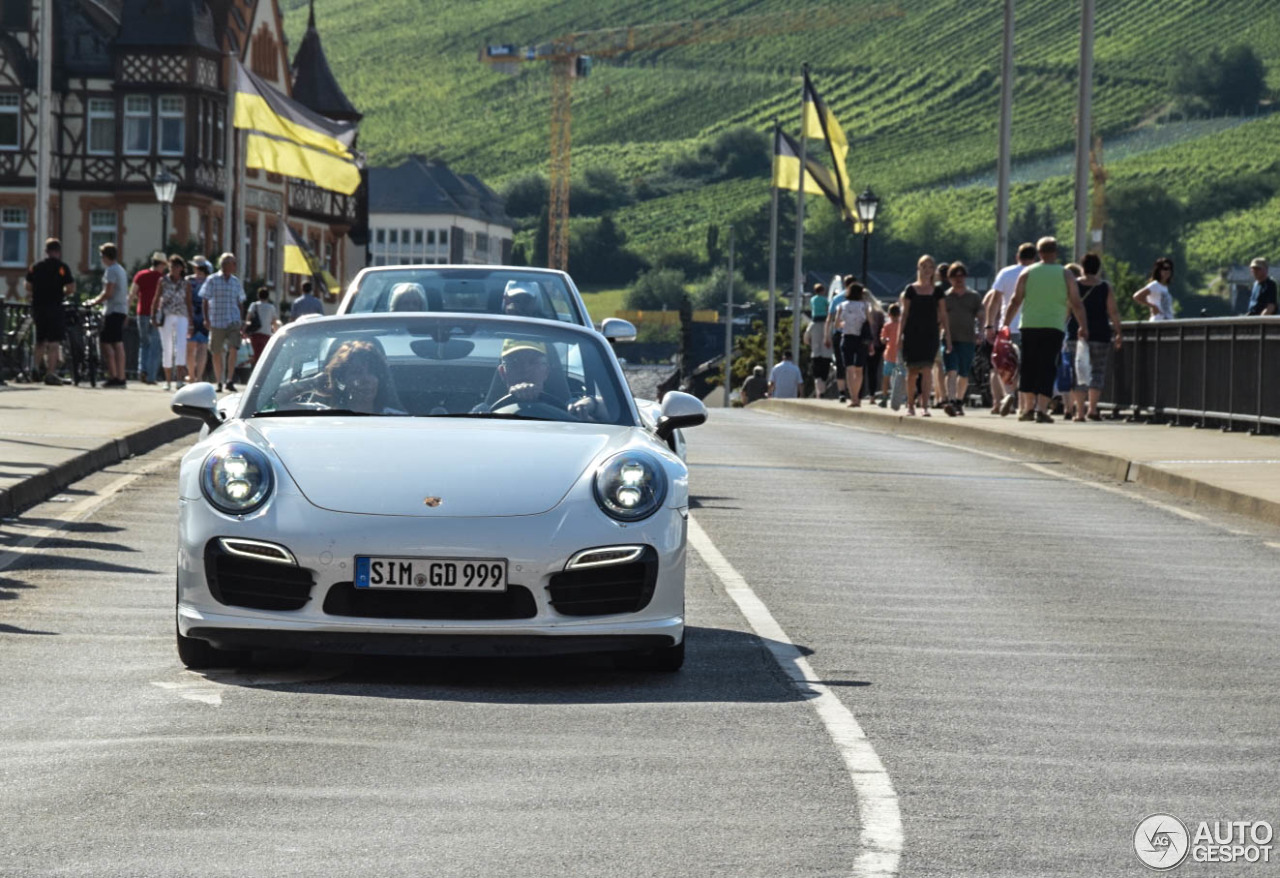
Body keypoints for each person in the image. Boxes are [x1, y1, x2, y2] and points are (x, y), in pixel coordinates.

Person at [1002, 237, 1089, 423]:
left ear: (1039, 253)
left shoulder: (1027, 272)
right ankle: (1041, 409)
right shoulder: (1065, 274)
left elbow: (1015, 300)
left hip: (1029, 325)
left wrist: (1005, 323)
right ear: (1056, 252)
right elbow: (1076, 303)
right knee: (1047, 367)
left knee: (1028, 366)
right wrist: (1083, 325)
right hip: (1054, 326)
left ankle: (1026, 409)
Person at [1068, 251, 1123, 422]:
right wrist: (1119, 332)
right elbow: (1113, 311)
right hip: (1100, 333)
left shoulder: (1074, 285)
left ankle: (1079, 412)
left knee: (1078, 372)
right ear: (1098, 269)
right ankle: (1092, 408)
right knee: (1097, 371)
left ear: (1082, 268)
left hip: (1076, 334)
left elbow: (1067, 309)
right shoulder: (1104, 287)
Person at [278, 339, 402, 415]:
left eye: (372, 372)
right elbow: (277, 403)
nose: (366, 379)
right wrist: (313, 383)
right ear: (342, 379)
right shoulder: (320, 414)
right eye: (357, 373)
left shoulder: (397, 419)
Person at [490, 339, 601, 420]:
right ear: (503, 373)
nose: (525, 369)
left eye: (533, 362)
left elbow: (613, 411)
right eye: (515, 362)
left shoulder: (571, 408)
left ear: (546, 371)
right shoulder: (482, 412)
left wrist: (592, 403)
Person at [987, 242, 1037, 415]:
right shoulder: (1035, 273)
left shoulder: (1005, 273)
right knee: (1026, 367)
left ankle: (1007, 396)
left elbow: (994, 301)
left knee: (1003, 365)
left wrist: (989, 324)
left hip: (1007, 328)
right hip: (1030, 326)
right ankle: (1024, 406)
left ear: (1018, 256)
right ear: (1035, 257)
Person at [898, 254, 952, 417]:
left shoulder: (937, 291)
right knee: (912, 371)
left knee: (928, 369)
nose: (927, 270)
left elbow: (943, 315)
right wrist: (899, 336)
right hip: (912, 333)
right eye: (923, 266)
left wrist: (948, 337)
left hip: (930, 333)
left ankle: (925, 405)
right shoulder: (910, 290)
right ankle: (910, 405)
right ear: (918, 268)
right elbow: (904, 314)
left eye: (930, 267)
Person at [24, 237, 76, 385]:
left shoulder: (36, 266)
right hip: (55, 306)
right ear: (58, 252)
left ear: (46, 251)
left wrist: (39, 290)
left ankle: (35, 368)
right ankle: (50, 373)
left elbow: (27, 286)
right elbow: (71, 288)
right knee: (54, 342)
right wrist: (62, 292)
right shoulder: (62, 268)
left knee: (40, 340)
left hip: (39, 306)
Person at [941, 262, 982, 416]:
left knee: (963, 373)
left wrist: (982, 331)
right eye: (954, 276)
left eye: (961, 275)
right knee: (951, 370)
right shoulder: (945, 297)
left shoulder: (973, 296)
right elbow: (939, 318)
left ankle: (959, 400)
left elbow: (981, 313)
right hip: (949, 339)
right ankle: (950, 401)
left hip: (967, 338)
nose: (958, 279)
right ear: (949, 278)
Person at [203, 253, 246, 393]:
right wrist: (206, 318)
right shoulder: (212, 279)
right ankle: (219, 381)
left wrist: (241, 320)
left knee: (234, 348)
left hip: (233, 320)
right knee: (216, 351)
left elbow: (240, 301)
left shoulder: (235, 281)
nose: (235, 266)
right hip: (217, 320)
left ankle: (229, 380)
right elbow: (205, 299)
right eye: (233, 263)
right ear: (225, 264)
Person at [87, 242, 129, 387]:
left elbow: (108, 292)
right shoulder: (121, 270)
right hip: (121, 309)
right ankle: (121, 375)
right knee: (118, 343)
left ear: (105, 256)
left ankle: (114, 375)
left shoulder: (111, 270)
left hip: (112, 310)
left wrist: (93, 302)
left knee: (105, 343)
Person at [153, 254, 193, 390]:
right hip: (167, 315)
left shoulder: (186, 283)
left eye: (176, 266)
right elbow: (157, 297)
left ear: (181, 268)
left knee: (181, 347)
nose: (174, 269)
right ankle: (168, 380)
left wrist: (191, 321)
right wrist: (153, 315)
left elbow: (188, 302)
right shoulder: (163, 281)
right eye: (171, 266)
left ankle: (180, 379)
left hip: (182, 315)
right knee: (167, 347)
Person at [129, 251, 166, 384]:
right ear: (161, 264)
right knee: (155, 345)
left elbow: (132, 294)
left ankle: (142, 370)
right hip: (156, 314)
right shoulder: (162, 278)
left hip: (141, 313)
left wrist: (127, 310)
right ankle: (151, 376)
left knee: (144, 343)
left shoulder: (141, 275)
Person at [834, 281, 870, 407]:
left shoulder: (842, 305)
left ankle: (853, 397)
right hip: (861, 339)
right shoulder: (865, 305)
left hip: (847, 337)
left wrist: (846, 324)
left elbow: (836, 324)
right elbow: (870, 322)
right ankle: (857, 397)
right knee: (859, 369)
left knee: (849, 369)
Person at [186, 256, 212, 384]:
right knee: (202, 346)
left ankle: (191, 375)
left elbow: (187, 299)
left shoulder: (189, 281)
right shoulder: (209, 281)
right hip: (205, 315)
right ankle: (199, 376)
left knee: (191, 346)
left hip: (191, 315)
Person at [244, 287, 279, 365]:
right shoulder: (271, 307)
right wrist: (276, 333)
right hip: (266, 335)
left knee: (255, 356)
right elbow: (274, 322)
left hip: (255, 335)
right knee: (264, 357)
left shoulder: (254, 305)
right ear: (268, 296)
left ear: (258, 295)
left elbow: (248, 319)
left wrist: (244, 330)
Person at [805, 308, 833, 398]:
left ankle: (818, 393)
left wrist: (811, 343)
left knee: (817, 376)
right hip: (827, 353)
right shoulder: (829, 325)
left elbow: (805, 338)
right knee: (824, 375)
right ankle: (822, 392)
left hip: (816, 353)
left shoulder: (812, 324)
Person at [877, 303, 901, 407]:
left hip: (890, 354)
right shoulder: (901, 325)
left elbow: (882, 339)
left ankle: (884, 397)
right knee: (900, 377)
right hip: (899, 355)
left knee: (886, 377)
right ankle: (897, 396)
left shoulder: (887, 326)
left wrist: (885, 340)